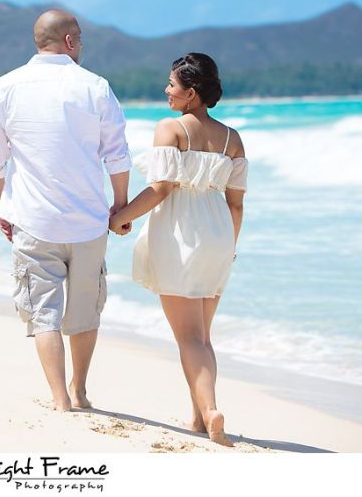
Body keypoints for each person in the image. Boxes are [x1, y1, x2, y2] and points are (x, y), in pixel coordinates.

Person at [0, 9, 132, 412]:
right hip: (88, 223)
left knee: (42, 312)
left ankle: (59, 398)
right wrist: (120, 206)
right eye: (79, 38)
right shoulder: (95, 86)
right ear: (68, 41)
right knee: (85, 310)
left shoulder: (7, 86)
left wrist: (1, 203)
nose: (81, 45)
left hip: (33, 220)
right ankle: (80, 390)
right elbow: (117, 156)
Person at [108, 53, 247, 447]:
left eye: (172, 85)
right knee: (202, 335)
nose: (166, 91)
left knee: (189, 337)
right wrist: (230, 247)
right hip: (219, 236)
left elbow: (162, 188)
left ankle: (211, 410)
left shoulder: (170, 129)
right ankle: (199, 417)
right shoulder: (231, 139)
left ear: (190, 93)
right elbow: (236, 204)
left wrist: (118, 218)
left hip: (181, 235)